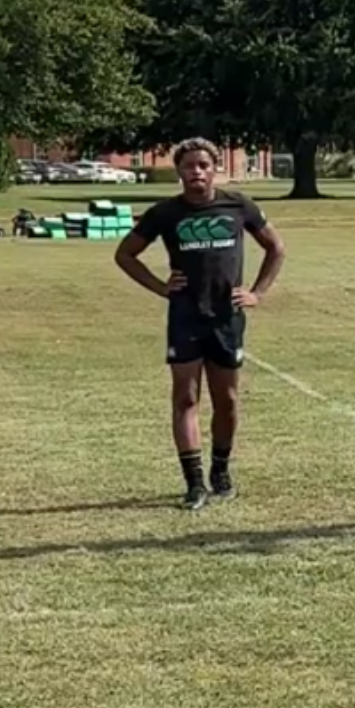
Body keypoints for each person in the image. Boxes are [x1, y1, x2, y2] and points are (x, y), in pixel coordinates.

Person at [116, 137, 286, 510]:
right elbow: (125, 254)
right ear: (179, 170)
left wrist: (257, 292)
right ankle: (194, 484)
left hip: (226, 318)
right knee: (185, 397)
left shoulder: (237, 205)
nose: (197, 171)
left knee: (227, 400)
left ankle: (220, 471)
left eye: (204, 165)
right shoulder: (165, 213)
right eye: (189, 165)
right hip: (186, 317)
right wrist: (160, 287)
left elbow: (275, 247)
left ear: (215, 169)